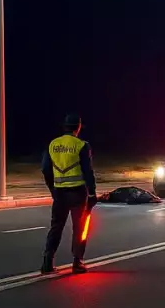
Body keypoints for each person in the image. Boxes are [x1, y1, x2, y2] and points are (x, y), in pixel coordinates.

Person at [40, 113, 97, 275]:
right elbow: (88, 171)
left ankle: (47, 262)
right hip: (78, 193)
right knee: (80, 228)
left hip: (59, 193)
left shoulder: (53, 144)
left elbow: (45, 169)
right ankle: (77, 262)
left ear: (64, 127)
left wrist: (53, 189)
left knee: (56, 227)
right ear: (78, 128)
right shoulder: (81, 145)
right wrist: (92, 193)